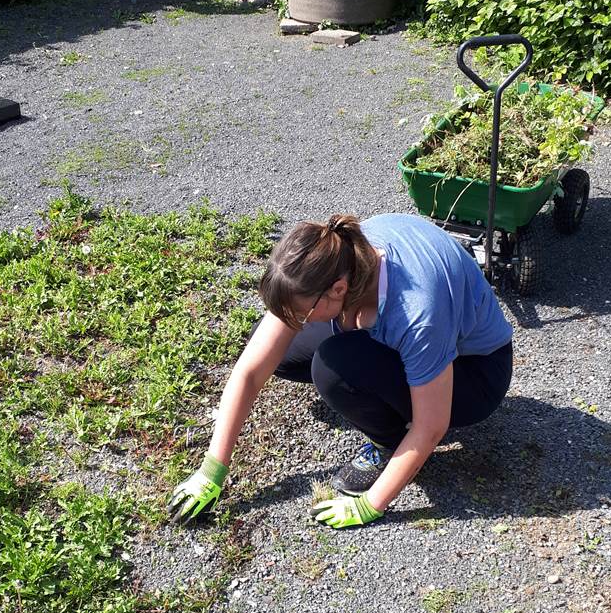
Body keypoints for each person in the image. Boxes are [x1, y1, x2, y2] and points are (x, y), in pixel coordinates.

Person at [168, 212, 514, 529]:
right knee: (284, 355)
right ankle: (378, 390)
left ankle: (388, 442)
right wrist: (212, 471)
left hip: (475, 372)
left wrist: (370, 505)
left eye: (302, 315)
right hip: (397, 322)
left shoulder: (417, 314)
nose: (297, 323)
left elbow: (431, 426)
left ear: (338, 290)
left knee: (334, 368)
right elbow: (250, 370)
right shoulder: (337, 257)